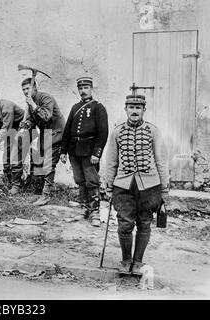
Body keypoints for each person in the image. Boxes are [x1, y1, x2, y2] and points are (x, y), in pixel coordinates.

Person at [105, 94, 170, 273]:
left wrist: (164, 188)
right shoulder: (117, 131)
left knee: (144, 222)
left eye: (138, 107)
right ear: (125, 109)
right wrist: (108, 186)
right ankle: (126, 261)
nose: (134, 111)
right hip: (123, 186)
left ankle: (138, 261)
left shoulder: (153, 131)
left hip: (149, 186)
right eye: (131, 107)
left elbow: (161, 161)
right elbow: (111, 161)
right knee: (124, 223)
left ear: (144, 110)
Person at [60, 75, 109, 227]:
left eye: (86, 88)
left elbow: (103, 132)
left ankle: (95, 212)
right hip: (74, 151)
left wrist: (97, 153)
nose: (83, 91)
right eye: (80, 88)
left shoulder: (98, 107)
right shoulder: (75, 107)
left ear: (91, 89)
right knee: (80, 181)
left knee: (92, 182)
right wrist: (63, 151)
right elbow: (67, 130)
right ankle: (84, 209)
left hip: (89, 152)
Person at [18, 78, 66, 206]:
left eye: (27, 88)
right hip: (45, 134)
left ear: (35, 87)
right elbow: (33, 121)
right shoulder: (30, 103)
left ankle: (46, 196)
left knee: (49, 164)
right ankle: (38, 191)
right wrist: (26, 124)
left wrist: (33, 105)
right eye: (23, 89)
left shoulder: (46, 98)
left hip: (57, 133)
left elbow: (46, 116)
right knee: (37, 159)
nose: (25, 92)